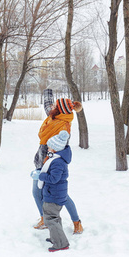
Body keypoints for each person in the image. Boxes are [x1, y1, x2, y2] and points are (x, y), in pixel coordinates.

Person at [31, 90, 83, 234]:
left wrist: (48, 166)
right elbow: (48, 106)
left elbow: (59, 148)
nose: (52, 106)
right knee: (36, 193)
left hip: (52, 166)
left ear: (59, 109)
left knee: (62, 197)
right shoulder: (54, 116)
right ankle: (45, 219)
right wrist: (48, 92)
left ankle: (77, 222)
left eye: (55, 105)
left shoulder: (63, 127)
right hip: (41, 163)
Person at [33, 130, 72, 252]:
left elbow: (54, 179)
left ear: (55, 148)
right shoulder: (55, 159)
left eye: (49, 146)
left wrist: (41, 176)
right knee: (54, 217)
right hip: (53, 193)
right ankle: (56, 237)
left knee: (50, 218)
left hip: (54, 195)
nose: (48, 147)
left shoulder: (58, 162)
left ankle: (61, 243)